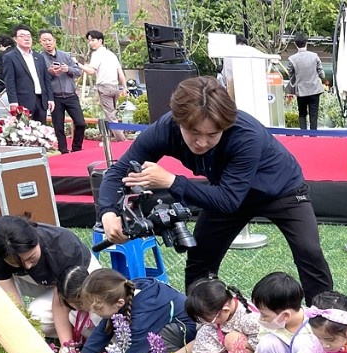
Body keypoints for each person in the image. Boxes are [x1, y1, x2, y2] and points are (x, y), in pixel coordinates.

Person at [97, 76, 333, 304]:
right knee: (200, 257)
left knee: (309, 251)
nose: (201, 142)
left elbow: (229, 201)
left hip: (282, 191)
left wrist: (172, 181)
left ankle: (325, 320)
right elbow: (119, 172)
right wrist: (108, 212)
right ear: (179, 122)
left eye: (212, 135)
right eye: (194, 133)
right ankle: (200, 323)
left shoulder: (245, 134)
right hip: (225, 189)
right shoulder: (165, 128)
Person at [0, 215, 101, 347]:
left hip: (74, 278)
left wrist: (67, 347)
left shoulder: (64, 247)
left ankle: (85, 334)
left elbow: (61, 305)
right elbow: (14, 305)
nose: (27, 266)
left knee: (92, 310)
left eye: (31, 257)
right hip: (35, 281)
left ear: (36, 240)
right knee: (32, 320)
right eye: (17, 263)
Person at [72, 269, 196, 353]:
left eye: (98, 308)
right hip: (163, 326)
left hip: (188, 333)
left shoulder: (143, 314)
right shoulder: (123, 292)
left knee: (150, 346)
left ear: (119, 303)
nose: (93, 311)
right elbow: (102, 331)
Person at [163, 277, 261, 353]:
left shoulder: (249, 319)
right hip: (238, 351)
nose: (204, 322)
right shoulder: (221, 308)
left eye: (208, 319)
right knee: (206, 331)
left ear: (225, 310)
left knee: (232, 339)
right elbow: (200, 339)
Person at [247, 271, 316, 353]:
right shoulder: (270, 324)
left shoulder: (314, 326)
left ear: (285, 316)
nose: (261, 319)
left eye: (264, 315)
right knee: (267, 343)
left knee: (302, 343)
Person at [39, 29, 85, 154]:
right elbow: (39, 78)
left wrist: (67, 69)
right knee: (59, 127)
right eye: (44, 40)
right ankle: (63, 150)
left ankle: (77, 148)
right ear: (40, 42)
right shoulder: (39, 58)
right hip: (54, 97)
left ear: (54, 41)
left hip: (70, 94)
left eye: (50, 40)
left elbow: (78, 71)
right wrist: (50, 73)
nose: (47, 43)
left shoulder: (66, 55)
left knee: (81, 123)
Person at [80, 30, 127, 142]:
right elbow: (120, 71)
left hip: (104, 87)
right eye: (89, 41)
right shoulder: (111, 54)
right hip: (115, 87)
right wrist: (125, 86)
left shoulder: (96, 54)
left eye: (93, 40)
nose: (90, 43)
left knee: (110, 116)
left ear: (100, 40)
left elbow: (91, 71)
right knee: (112, 114)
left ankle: (122, 140)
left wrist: (78, 65)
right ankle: (110, 138)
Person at [1, 25, 52, 123]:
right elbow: (9, 81)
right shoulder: (10, 57)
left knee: (41, 134)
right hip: (23, 102)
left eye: (29, 36)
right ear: (15, 39)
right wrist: (13, 101)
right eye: (22, 36)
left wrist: (50, 98)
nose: (27, 38)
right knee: (24, 133)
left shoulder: (39, 57)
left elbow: (46, 79)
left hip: (41, 101)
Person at [287, 33, 325, 131]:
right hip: (314, 89)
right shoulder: (314, 56)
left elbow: (290, 74)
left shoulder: (292, 59)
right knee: (314, 115)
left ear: (295, 44)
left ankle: (302, 136)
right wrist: (321, 77)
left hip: (301, 90)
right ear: (306, 43)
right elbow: (321, 72)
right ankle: (313, 136)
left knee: (302, 113)